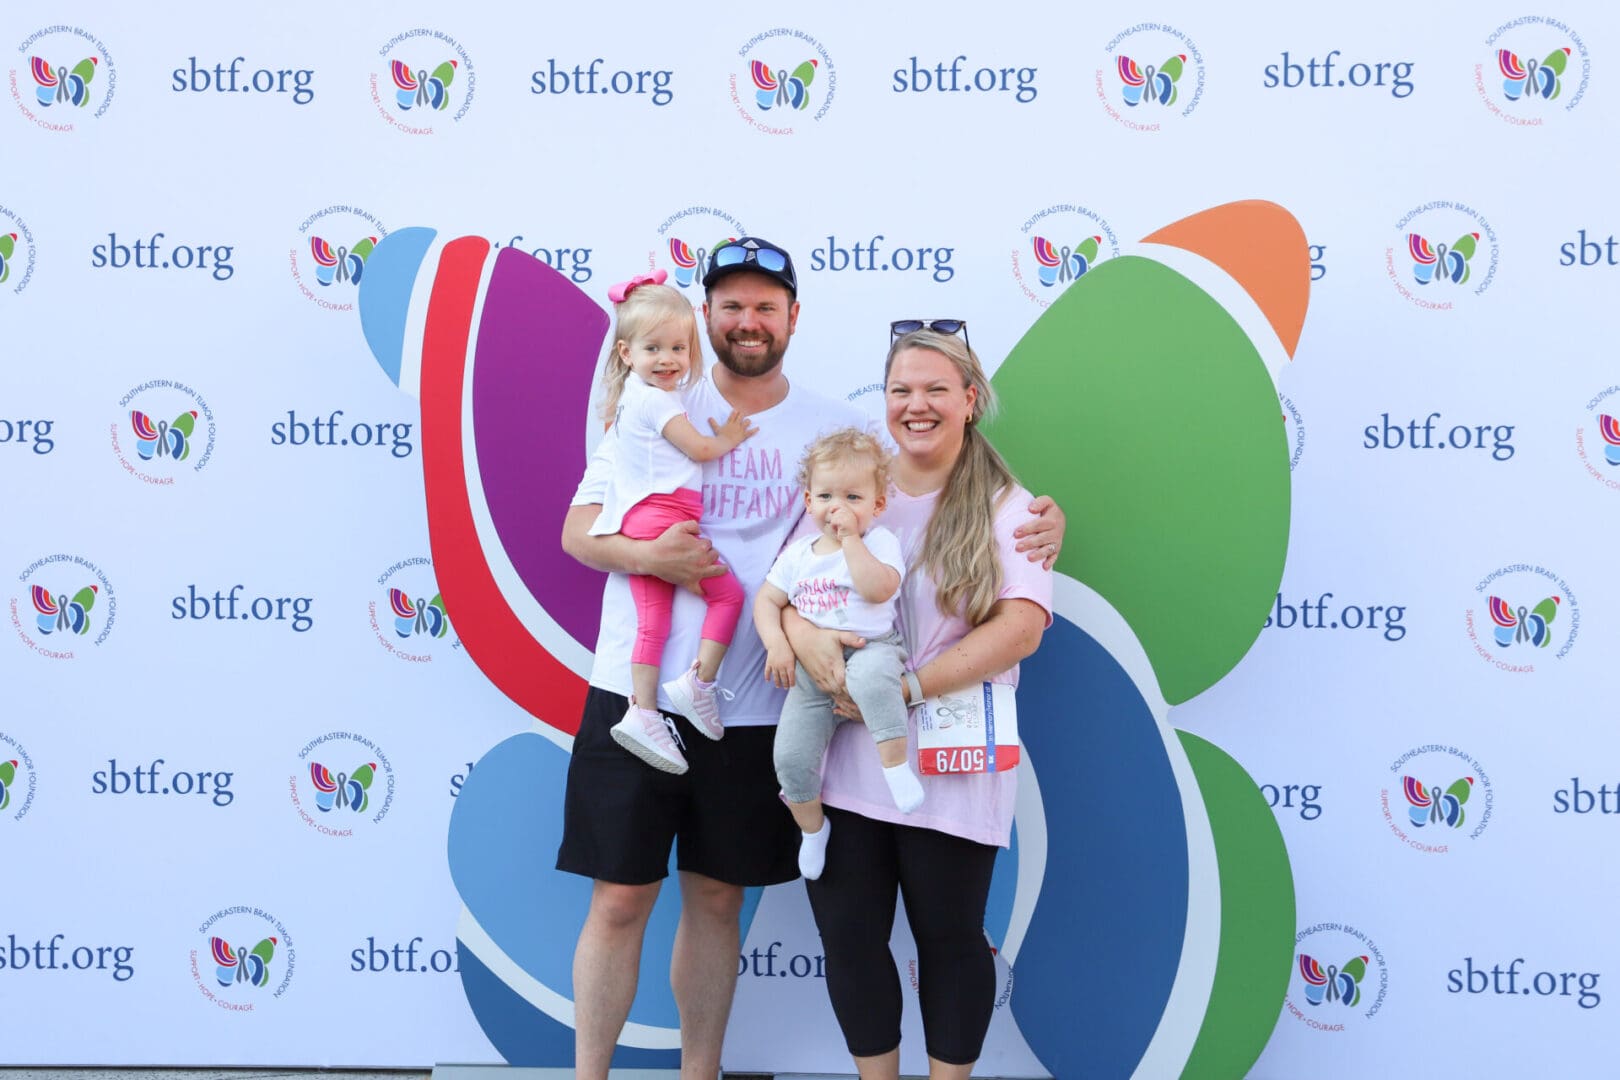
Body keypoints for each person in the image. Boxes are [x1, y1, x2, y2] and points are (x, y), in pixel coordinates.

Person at [558, 238, 1064, 1079]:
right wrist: (656, 561)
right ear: (703, 316)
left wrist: (1043, 523)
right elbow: (579, 533)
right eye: (731, 306)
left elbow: (941, 478)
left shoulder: (846, 433)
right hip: (636, 690)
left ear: (794, 318)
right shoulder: (648, 410)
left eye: (766, 306)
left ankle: (701, 1075)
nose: (748, 321)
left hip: (756, 707)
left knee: (719, 900)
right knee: (617, 901)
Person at [784, 322, 1054, 1079]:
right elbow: (791, 592)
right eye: (902, 389)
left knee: (951, 939)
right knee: (849, 937)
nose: (917, 405)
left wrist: (904, 689)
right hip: (844, 762)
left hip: (952, 763)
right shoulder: (856, 491)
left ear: (970, 400)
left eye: (937, 389)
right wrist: (810, 647)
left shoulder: (1010, 509)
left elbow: (1023, 628)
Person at [589, 270, 755, 773]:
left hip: (644, 520)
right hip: (664, 519)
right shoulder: (657, 400)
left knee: (653, 624)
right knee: (728, 596)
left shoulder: (633, 403)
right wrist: (727, 436)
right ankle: (697, 682)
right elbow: (699, 448)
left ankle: (643, 712)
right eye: (653, 349)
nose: (667, 360)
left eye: (678, 349)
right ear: (626, 354)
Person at [756, 428, 921, 882]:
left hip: (871, 649)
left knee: (872, 682)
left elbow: (879, 587)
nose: (838, 508)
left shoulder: (879, 543)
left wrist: (852, 542)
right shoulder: (798, 554)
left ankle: (895, 767)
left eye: (852, 496)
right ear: (808, 501)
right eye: (826, 495)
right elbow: (767, 600)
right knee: (789, 757)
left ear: (877, 505)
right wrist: (778, 643)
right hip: (811, 675)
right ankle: (812, 827)